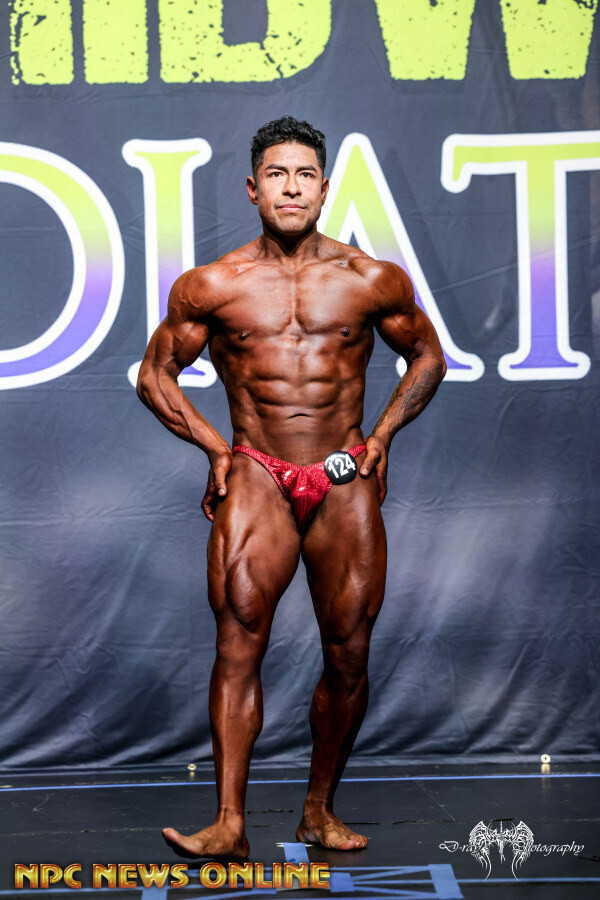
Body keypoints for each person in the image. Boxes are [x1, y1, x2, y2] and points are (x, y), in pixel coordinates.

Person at [137, 116, 446, 857]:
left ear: (325, 188)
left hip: (342, 476)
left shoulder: (370, 279)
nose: (291, 187)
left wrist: (381, 436)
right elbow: (155, 376)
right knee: (237, 643)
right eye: (277, 174)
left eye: (305, 174)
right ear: (253, 188)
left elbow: (429, 357)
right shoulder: (213, 285)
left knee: (349, 653)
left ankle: (317, 810)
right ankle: (229, 822)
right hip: (258, 475)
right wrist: (216, 448)